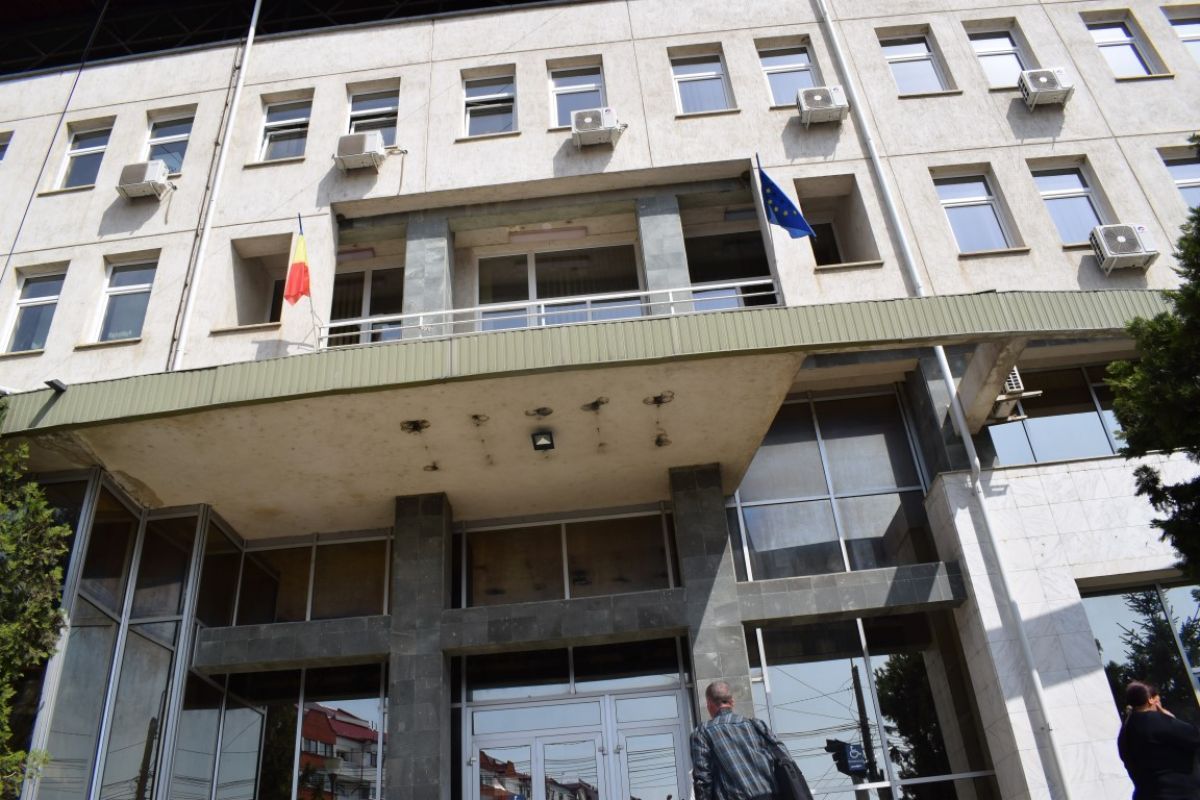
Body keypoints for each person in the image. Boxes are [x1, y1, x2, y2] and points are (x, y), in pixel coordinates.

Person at [691, 680, 786, 800]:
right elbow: (783, 756)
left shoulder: (702, 732)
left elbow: (703, 778)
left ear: (709, 703)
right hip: (770, 795)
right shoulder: (756, 725)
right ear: (732, 701)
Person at [1117, 680, 1200, 799]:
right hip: (1177, 793)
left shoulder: (1125, 731)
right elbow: (1193, 736)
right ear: (1150, 699)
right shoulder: (1154, 720)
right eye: (1159, 700)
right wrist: (1171, 719)